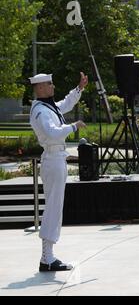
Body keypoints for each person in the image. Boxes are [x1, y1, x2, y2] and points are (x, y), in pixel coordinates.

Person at [29, 72, 88, 272]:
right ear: (40, 88)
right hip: (53, 159)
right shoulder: (41, 111)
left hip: (57, 158)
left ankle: (48, 256)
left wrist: (79, 88)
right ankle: (47, 258)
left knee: (55, 207)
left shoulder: (48, 106)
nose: (53, 87)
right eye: (50, 84)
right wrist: (73, 126)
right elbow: (52, 132)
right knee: (53, 207)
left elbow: (66, 104)